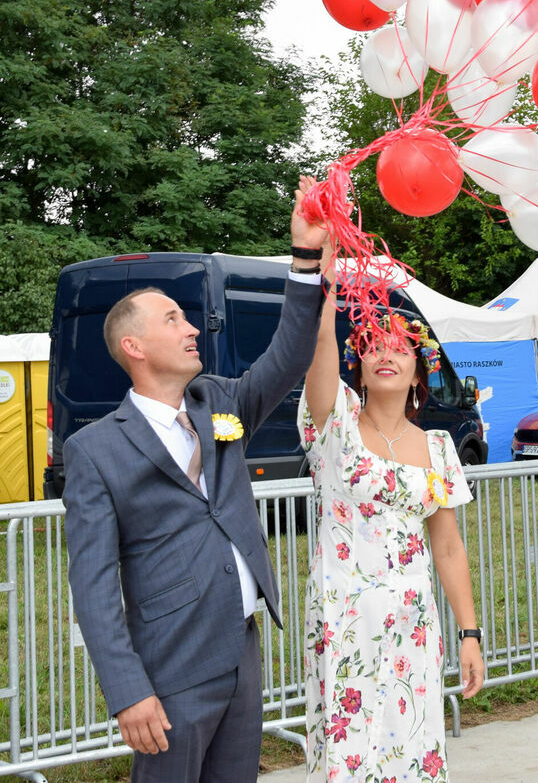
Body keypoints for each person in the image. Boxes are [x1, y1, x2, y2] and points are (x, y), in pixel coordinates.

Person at [62, 177, 328, 783]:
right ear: (134, 345)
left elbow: (287, 356)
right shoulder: (94, 450)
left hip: (241, 651)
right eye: (173, 318)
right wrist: (129, 691)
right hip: (172, 668)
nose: (191, 329)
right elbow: (95, 585)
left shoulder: (218, 402)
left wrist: (306, 259)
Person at [299, 257, 485, 783]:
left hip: (414, 623)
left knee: (413, 751)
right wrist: (325, 297)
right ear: (358, 363)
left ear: (419, 370)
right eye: (375, 346)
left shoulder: (440, 447)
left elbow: (447, 548)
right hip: (343, 623)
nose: (386, 354)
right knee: (348, 756)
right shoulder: (332, 424)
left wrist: (469, 633)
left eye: (401, 349)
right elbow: (320, 358)